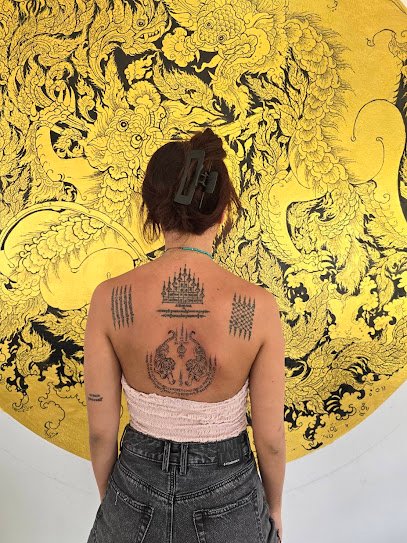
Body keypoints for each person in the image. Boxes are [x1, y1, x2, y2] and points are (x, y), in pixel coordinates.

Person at [84, 127, 286, 543]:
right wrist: (275, 507)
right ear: (223, 211)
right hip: (229, 493)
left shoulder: (110, 299)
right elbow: (270, 440)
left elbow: (101, 432)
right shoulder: (256, 307)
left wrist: (115, 502)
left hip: (134, 486)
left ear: (153, 210)